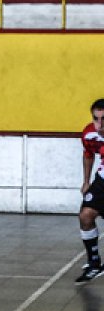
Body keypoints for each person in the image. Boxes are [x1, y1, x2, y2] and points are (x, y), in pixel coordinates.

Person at [76, 98, 104, 283]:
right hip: (102, 180)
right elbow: (88, 155)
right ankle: (94, 263)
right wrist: (86, 181)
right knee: (85, 216)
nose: (100, 125)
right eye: (96, 119)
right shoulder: (89, 134)